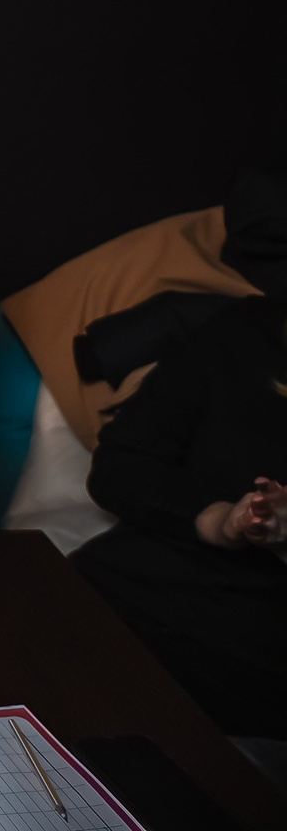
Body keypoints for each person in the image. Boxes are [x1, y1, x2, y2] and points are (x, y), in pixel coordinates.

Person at [72, 295, 287, 752]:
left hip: (256, 660)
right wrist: (216, 520)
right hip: (128, 587)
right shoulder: (244, 330)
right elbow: (120, 463)